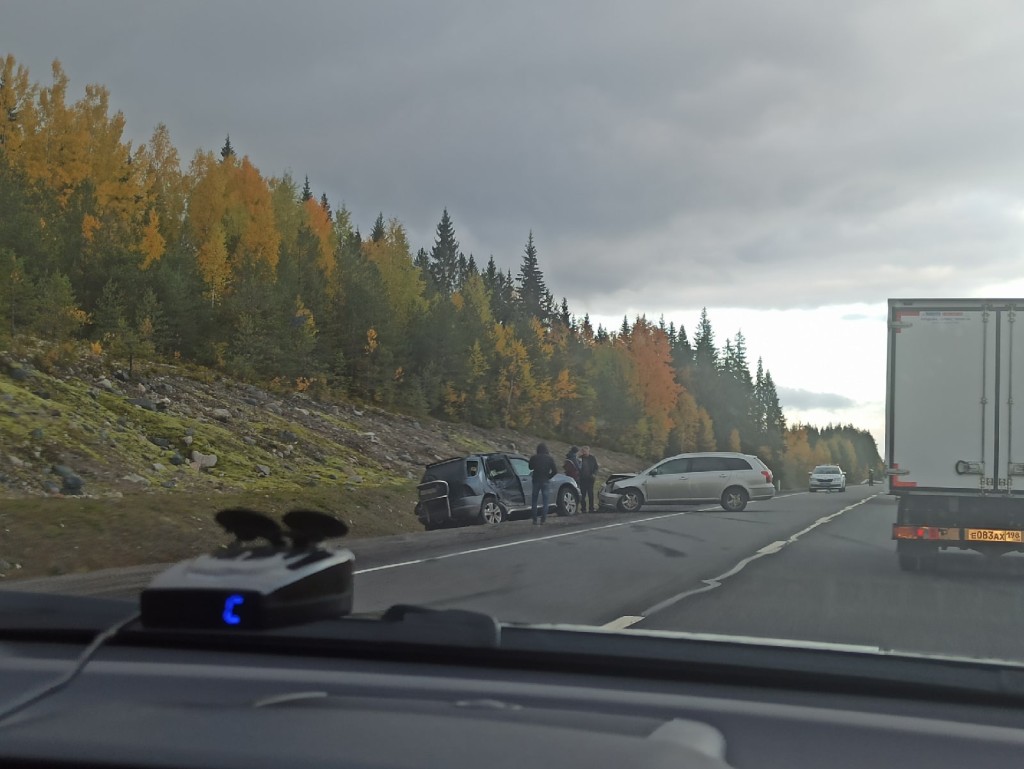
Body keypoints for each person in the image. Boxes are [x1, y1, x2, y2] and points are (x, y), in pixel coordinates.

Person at [528, 442, 557, 524]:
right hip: (545, 480)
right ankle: (543, 519)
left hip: (536, 480)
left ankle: (534, 519)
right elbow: (555, 471)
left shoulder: (534, 457)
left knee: (534, 500)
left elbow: (530, 467)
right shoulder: (549, 458)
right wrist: (548, 476)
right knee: (545, 501)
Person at [578, 445, 599, 513]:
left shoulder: (592, 458)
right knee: (583, 494)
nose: (584, 452)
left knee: (590, 494)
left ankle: (591, 508)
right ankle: (583, 508)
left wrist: (594, 474)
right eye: (583, 451)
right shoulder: (580, 458)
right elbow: (577, 467)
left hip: (590, 479)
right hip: (582, 479)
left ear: (588, 451)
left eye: (585, 451)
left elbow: (596, 467)